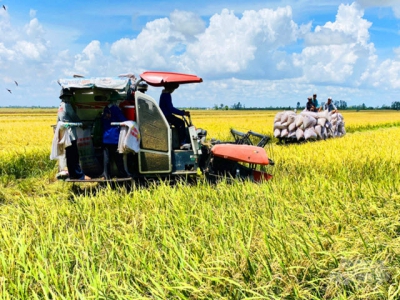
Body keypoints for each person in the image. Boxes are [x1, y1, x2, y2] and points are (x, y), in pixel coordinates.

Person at [57, 88, 90, 180]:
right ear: (66, 97)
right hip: (70, 134)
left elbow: (58, 121)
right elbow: (74, 117)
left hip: (64, 134)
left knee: (69, 155)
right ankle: (79, 175)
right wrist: (83, 124)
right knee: (74, 155)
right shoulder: (67, 106)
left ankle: (72, 174)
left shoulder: (60, 107)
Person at [102, 91, 129, 178]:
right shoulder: (116, 109)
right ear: (115, 100)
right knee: (118, 158)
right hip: (114, 138)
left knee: (107, 159)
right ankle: (123, 175)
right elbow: (123, 119)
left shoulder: (105, 109)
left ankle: (107, 176)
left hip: (105, 137)